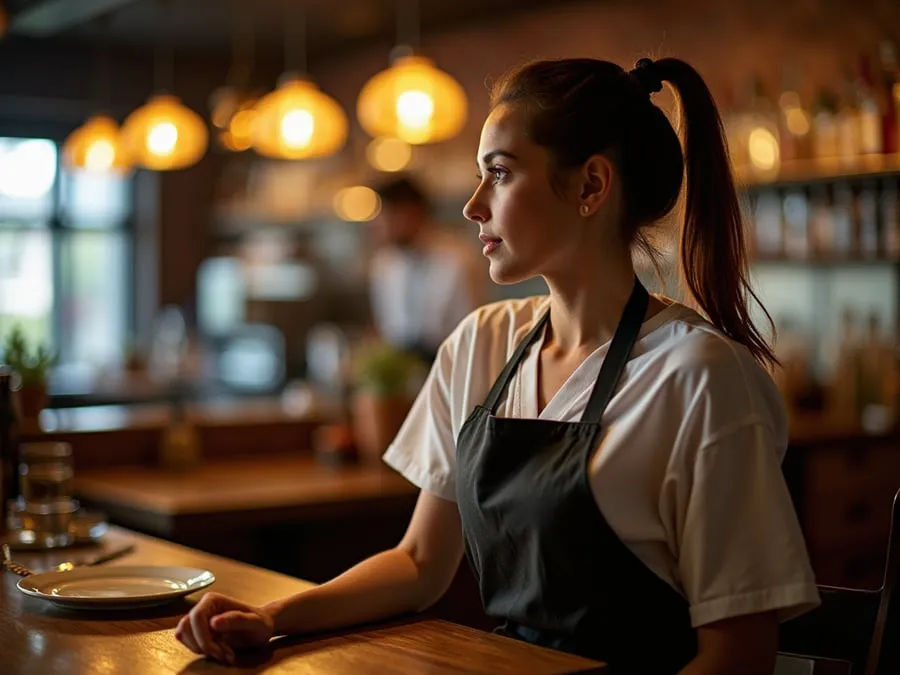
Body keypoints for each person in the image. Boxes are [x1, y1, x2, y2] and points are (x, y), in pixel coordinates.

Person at [176, 56, 820, 674]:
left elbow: (739, 656)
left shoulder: (700, 376)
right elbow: (421, 561)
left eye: (501, 172)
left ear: (591, 185)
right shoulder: (481, 343)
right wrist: (272, 616)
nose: (473, 204)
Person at [366, 175, 486, 362]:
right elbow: (386, 327)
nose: (378, 224)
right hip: (400, 366)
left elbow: (474, 328)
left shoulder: (458, 259)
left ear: (411, 212)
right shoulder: (384, 263)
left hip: (451, 360)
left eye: (385, 214)